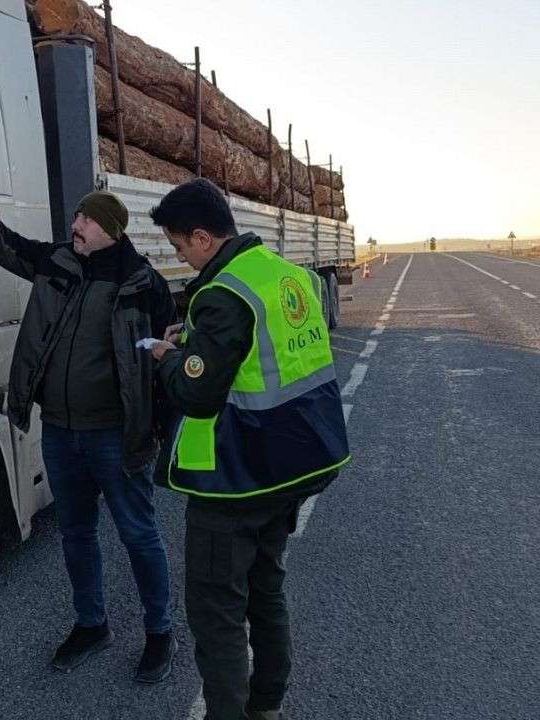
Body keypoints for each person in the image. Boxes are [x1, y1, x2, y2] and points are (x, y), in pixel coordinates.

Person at [0, 155, 179, 683]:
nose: (75, 224)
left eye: (86, 219)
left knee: (138, 534)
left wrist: (157, 431)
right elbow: (0, 241)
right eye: (77, 217)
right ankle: (92, 624)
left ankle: (160, 633)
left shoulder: (144, 284)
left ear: (110, 229)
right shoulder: (57, 263)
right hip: (62, 433)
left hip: (116, 436)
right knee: (76, 533)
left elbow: (166, 364)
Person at [147, 179, 351, 720]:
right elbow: (261, 355)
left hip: (236, 481)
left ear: (203, 237)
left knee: (217, 615)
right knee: (266, 592)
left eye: (179, 246)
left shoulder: (222, 294)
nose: (180, 258)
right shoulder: (289, 276)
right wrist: (197, 344)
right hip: (292, 467)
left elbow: (196, 392)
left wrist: (167, 357)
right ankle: (266, 706)